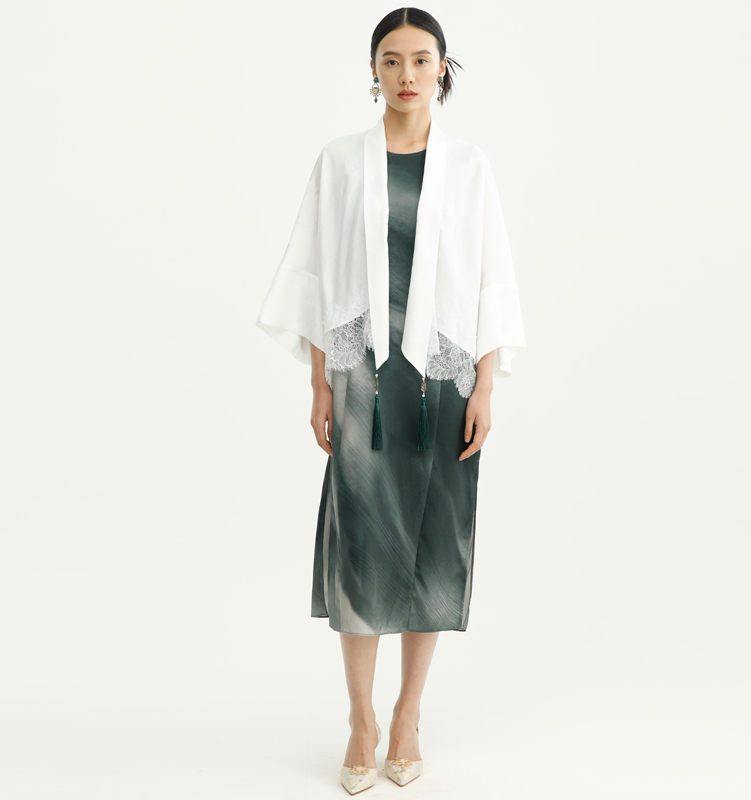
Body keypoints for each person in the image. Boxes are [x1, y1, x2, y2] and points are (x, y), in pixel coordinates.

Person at [255, 8, 525, 794]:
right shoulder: (341, 161)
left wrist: (486, 384)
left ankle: (408, 714)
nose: (407, 74)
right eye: (391, 59)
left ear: (444, 67)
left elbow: (491, 276)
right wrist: (318, 382)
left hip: (444, 377)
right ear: (372, 70)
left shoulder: (470, 166)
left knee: (434, 542)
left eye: (421, 59)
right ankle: (360, 719)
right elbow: (315, 273)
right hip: (361, 375)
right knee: (363, 547)